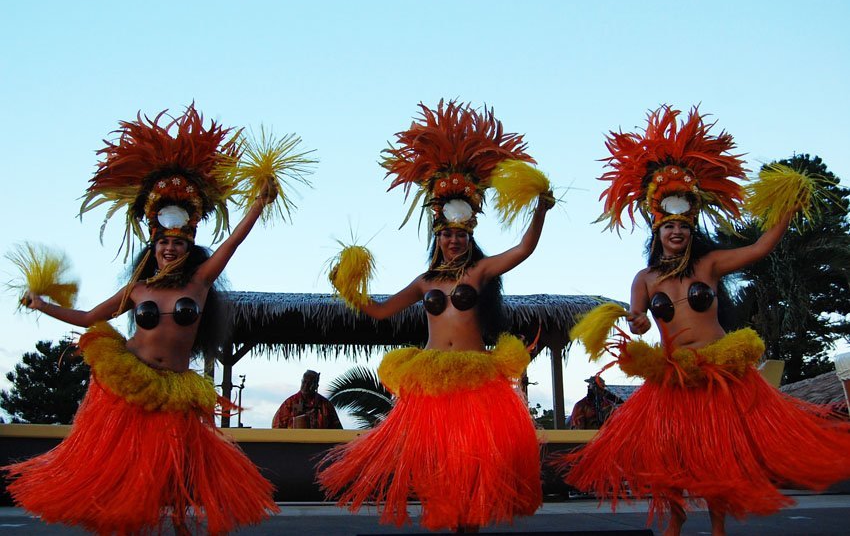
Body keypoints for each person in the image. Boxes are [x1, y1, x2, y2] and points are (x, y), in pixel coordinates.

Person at [3, 105, 316, 534]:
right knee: (122, 473)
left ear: (189, 246)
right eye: (164, 242)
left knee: (170, 474)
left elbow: (234, 242)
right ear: (153, 245)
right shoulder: (138, 289)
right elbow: (89, 317)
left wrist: (259, 203)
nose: (170, 249)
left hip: (174, 389)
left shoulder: (200, 283)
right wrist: (41, 306)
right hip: (129, 383)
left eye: (178, 243)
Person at [562, 105, 850, 536]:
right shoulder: (646, 277)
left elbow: (759, 249)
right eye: (668, 227)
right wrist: (639, 324)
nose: (676, 232)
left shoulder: (710, 265)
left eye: (683, 226)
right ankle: (675, 528)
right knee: (672, 466)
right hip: (673, 382)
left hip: (720, 377)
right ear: (656, 231)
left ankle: (717, 530)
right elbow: (637, 314)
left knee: (719, 460)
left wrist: (786, 209)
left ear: (692, 228)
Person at [319, 100, 553, 532]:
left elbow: (523, 250)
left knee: (472, 464)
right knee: (438, 471)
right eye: (446, 234)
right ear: (437, 235)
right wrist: (346, 288)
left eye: (460, 234)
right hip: (430, 382)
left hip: (474, 381)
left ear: (470, 236)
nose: (453, 241)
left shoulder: (480, 271)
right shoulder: (425, 281)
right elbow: (383, 310)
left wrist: (540, 210)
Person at [272, 370, 342, 429]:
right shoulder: (290, 403)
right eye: (304, 382)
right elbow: (276, 427)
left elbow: (338, 430)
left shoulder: (325, 405)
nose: (306, 386)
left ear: (316, 386)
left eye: (310, 383)